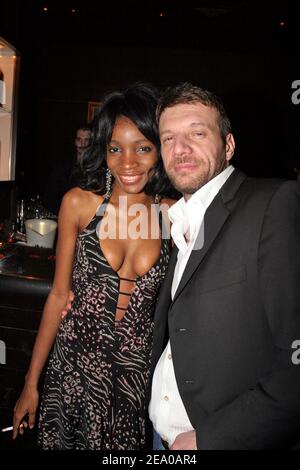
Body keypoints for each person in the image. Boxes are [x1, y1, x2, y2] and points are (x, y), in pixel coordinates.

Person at [12, 83, 176, 450]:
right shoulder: (80, 205)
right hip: (71, 370)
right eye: (115, 148)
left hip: (132, 384)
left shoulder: (172, 214)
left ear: (160, 150)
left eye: (143, 148)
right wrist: (30, 383)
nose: (128, 163)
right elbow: (58, 296)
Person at [149, 82, 300, 450]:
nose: (180, 149)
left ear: (228, 145)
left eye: (196, 134)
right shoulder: (177, 220)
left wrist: (209, 440)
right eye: (168, 139)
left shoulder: (273, 203)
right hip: (159, 435)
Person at [42, 125, 92, 215]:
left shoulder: (98, 168)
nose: (82, 144)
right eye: (79, 139)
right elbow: (48, 198)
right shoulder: (62, 166)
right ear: (75, 142)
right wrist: (65, 215)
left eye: (87, 140)